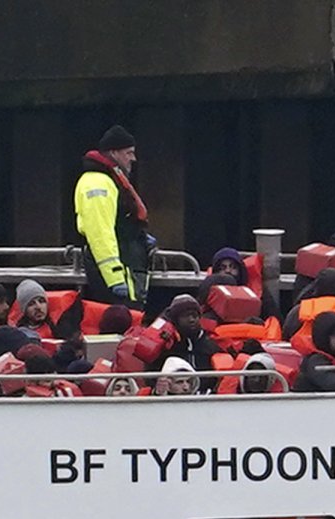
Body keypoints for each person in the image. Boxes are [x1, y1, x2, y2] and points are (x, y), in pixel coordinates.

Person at [74, 125, 155, 308]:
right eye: (129, 153)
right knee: (118, 324)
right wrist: (114, 276)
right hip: (116, 275)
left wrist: (139, 237)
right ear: (114, 153)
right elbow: (100, 234)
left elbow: (119, 223)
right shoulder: (98, 183)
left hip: (128, 267)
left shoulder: (109, 180)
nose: (133, 159)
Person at [159, 294, 228, 376]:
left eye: (194, 315)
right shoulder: (168, 344)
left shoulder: (213, 343)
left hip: (207, 388)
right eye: (185, 316)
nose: (191, 319)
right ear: (175, 320)